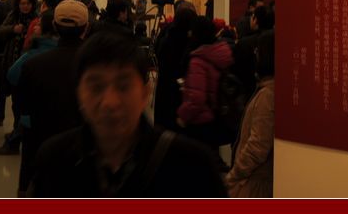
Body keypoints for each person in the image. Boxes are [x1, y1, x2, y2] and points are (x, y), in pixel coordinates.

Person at [29, 31, 226, 197]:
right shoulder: (54, 161)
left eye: (123, 86)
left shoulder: (192, 166)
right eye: (96, 87)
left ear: (145, 92)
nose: (110, 102)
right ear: (78, 93)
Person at [17, 0, 88, 194]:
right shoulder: (96, 67)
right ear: (86, 28)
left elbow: (23, 107)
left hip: (42, 151)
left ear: (55, 26)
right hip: (84, 158)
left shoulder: (33, 65)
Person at [226, 30, 275, 198]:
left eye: (258, 50)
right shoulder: (268, 89)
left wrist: (235, 173)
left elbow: (258, 145)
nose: (255, 53)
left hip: (254, 182)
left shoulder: (267, 95)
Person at [176, 15, 234, 155]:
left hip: (200, 121)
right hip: (216, 115)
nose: (189, 33)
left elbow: (197, 98)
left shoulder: (198, 60)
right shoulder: (219, 53)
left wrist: (183, 115)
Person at [0, 0, 38, 155]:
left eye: (27, 3)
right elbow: (0, 31)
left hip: (29, 67)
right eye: (22, 4)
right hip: (12, 65)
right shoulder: (13, 16)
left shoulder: (36, 19)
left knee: (25, 104)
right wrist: (13, 29)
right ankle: (16, 132)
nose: (25, 6)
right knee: (15, 102)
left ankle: (18, 135)